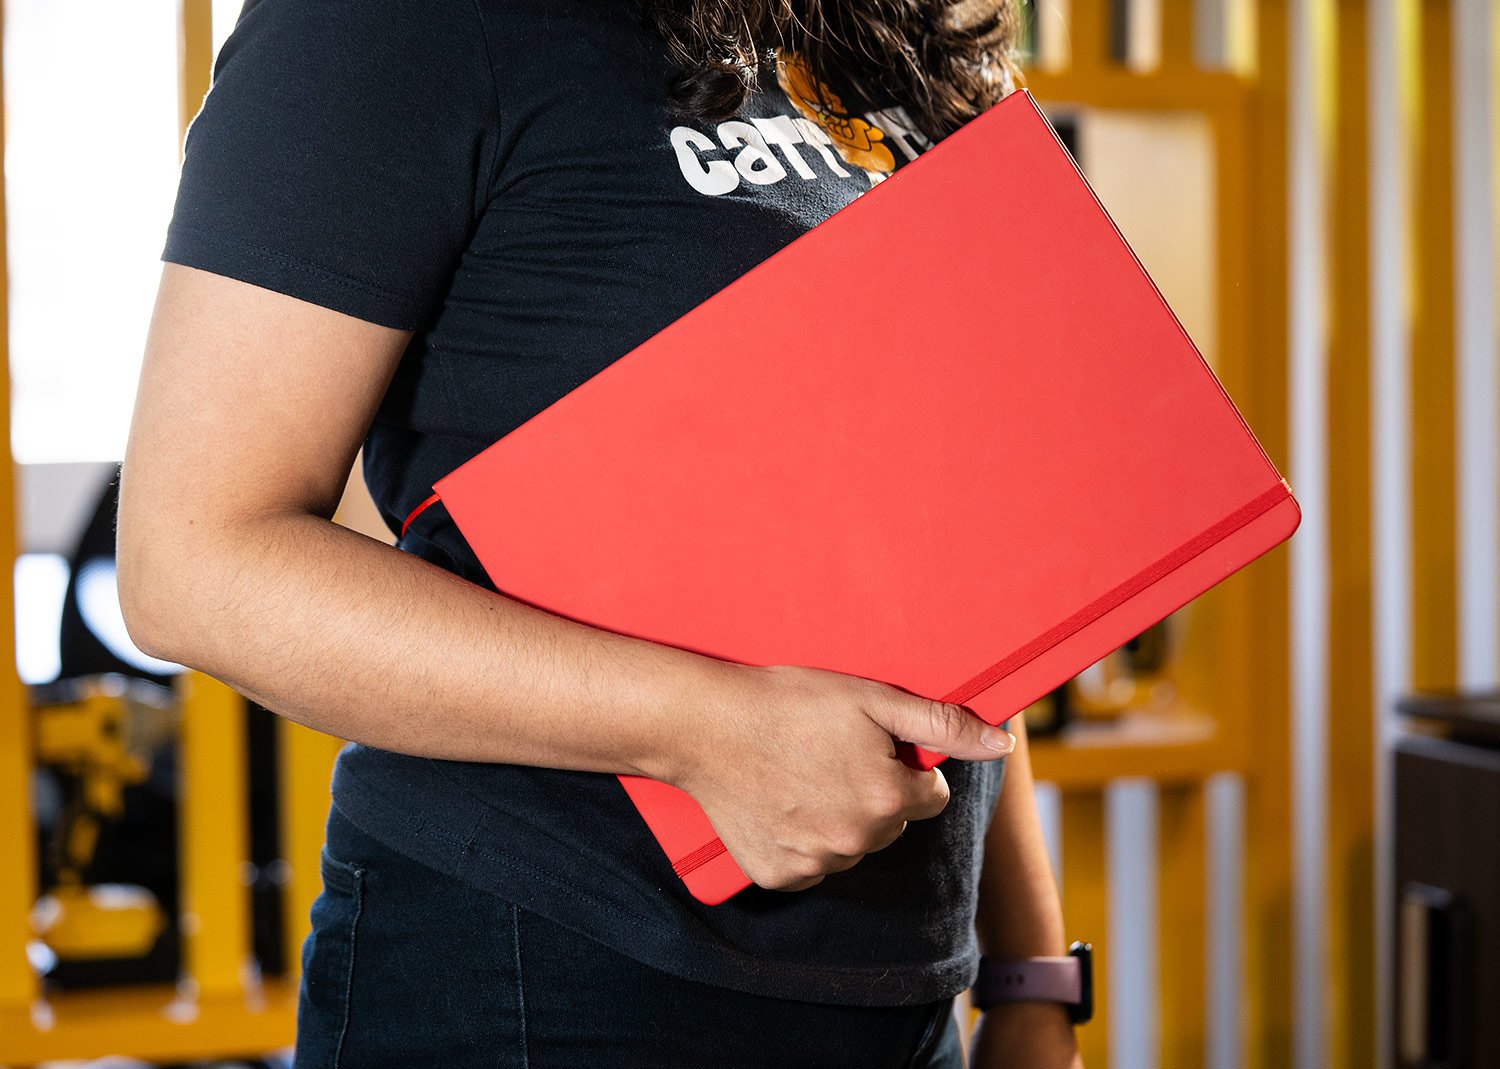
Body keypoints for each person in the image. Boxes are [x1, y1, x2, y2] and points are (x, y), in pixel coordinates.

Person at [117, 0, 1083, 1065]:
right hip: (548, 976)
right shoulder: (395, 26)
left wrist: (1030, 974)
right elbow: (194, 560)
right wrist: (699, 727)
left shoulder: (880, 26)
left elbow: (947, 556)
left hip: (905, 997)